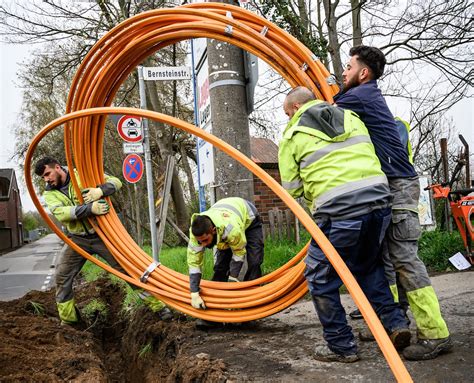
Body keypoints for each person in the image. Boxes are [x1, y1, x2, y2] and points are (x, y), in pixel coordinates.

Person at [334, 45, 451, 360]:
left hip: (398, 187)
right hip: (387, 186)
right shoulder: (366, 97)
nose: (343, 73)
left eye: (348, 67)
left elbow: (325, 109)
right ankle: (389, 324)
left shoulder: (361, 96)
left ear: (364, 73)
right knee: (384, 258)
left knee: (403, 258)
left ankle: (435, 333)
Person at [278, 86, 410, 363]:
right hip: (379, 206)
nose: (288, 118)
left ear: (292, 110)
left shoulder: (292, 134)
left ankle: (341, 346)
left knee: (320, 277)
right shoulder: (350, 117)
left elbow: (291, 188)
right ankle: (396, 323)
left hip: (340, 214)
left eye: (287, 113)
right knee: (368, 266)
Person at [34, 157, 166, 325]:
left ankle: (159, 307)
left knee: (128, 270)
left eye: (47, 174)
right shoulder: (49, 193)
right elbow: (62, 213)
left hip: (102, 235)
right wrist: (90, 209)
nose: (46, 180)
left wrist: (101, 191)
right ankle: (69, 322)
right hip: (76, 240)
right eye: (43, 178)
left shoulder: (81, 175)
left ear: (58, 167)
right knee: (62, 275)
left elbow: (116, 182)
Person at [187, 197, 264, 310]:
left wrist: (232, 279)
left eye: (205, 240)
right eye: (200, 241)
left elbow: (239, 253)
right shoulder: (196, 234)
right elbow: (194, 263)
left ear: (213, 230)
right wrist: (194, 292)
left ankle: (250, 305)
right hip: (223, 219)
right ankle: (214, 309)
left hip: (249, 220)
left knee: (255, 262)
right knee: (220, 268)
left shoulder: (231, 230)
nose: (202, 244)